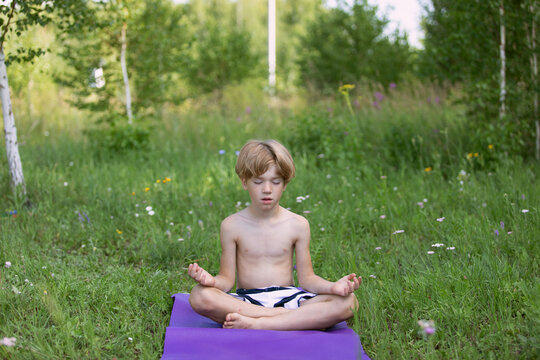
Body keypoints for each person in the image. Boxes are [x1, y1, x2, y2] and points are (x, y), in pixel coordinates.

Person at [187, 139, 361, 330]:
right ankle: (293, 320)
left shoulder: (298, 224)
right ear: (245, 182)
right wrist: (210, 281)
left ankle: (258, 324)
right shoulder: (231, 225)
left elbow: (307, 279)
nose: (267, 189)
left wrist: (332, 287)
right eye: (258, 181)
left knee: (349, 302)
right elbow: (227, 280)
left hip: (290, 297)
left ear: (285, 184)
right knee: (199, 295)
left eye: (276, 182)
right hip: (247, 301)